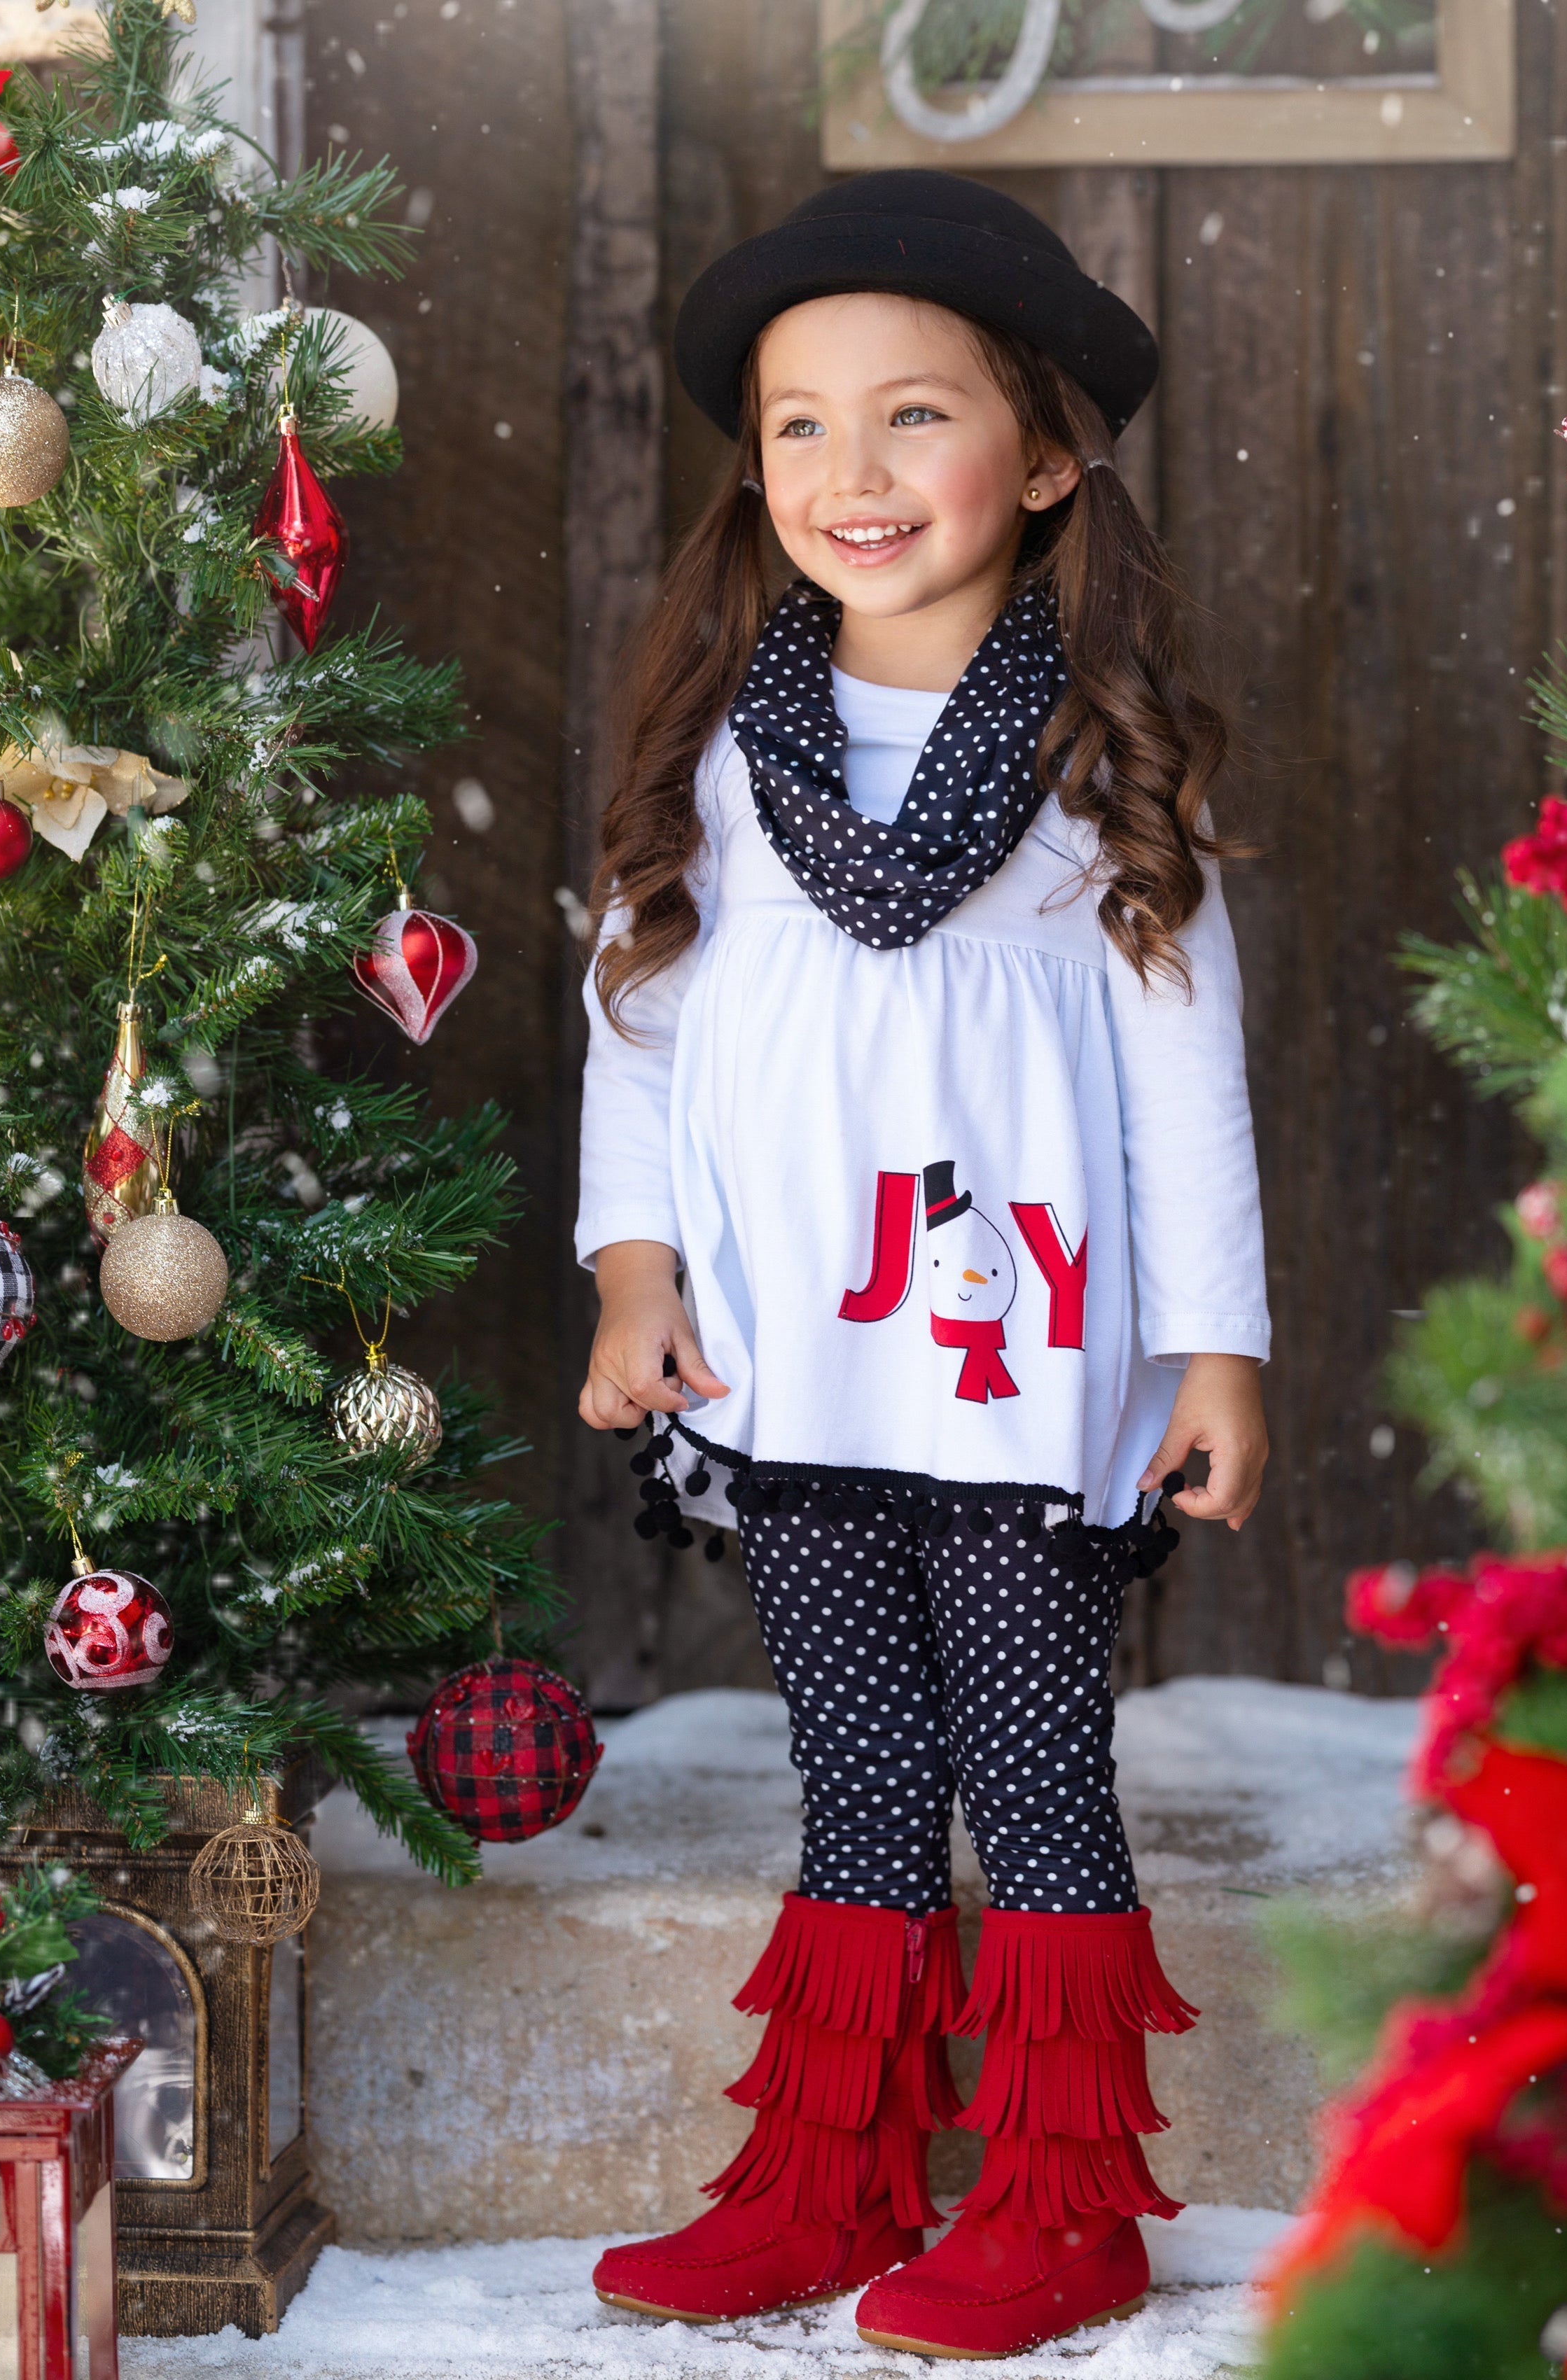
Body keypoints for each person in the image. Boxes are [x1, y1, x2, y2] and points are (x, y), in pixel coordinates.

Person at [576, 170, 1270, 2360]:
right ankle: (834, 2173)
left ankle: (1066, 2205)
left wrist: (1216, 1353)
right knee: (859, 1770)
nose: (849, 478)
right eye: (798, 427)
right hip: (793, 1363)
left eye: (910, 420)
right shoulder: (716, 757)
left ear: (1046, 457)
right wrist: (630, 1271)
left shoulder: (1098, 762)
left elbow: (1192, 1088)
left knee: (1039, 1768)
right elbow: (640, 1034)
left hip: (1018, 1359)